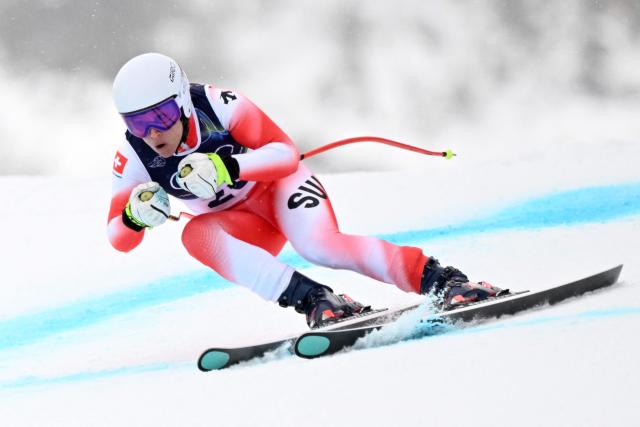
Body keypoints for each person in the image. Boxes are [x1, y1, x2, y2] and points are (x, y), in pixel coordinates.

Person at [108, 53, 500, 329]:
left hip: (281, 190)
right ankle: (316, 300)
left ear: (181, 103)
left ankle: (443, 281)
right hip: (245, 223)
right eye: (137, 123)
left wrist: (228, 166)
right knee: (195, 235)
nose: (152, 133)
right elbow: (117, 238)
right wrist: (134, 216)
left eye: (159, 116)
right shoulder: (134, 153)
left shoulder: (218, 103)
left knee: (320, 247)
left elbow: (285, 154)